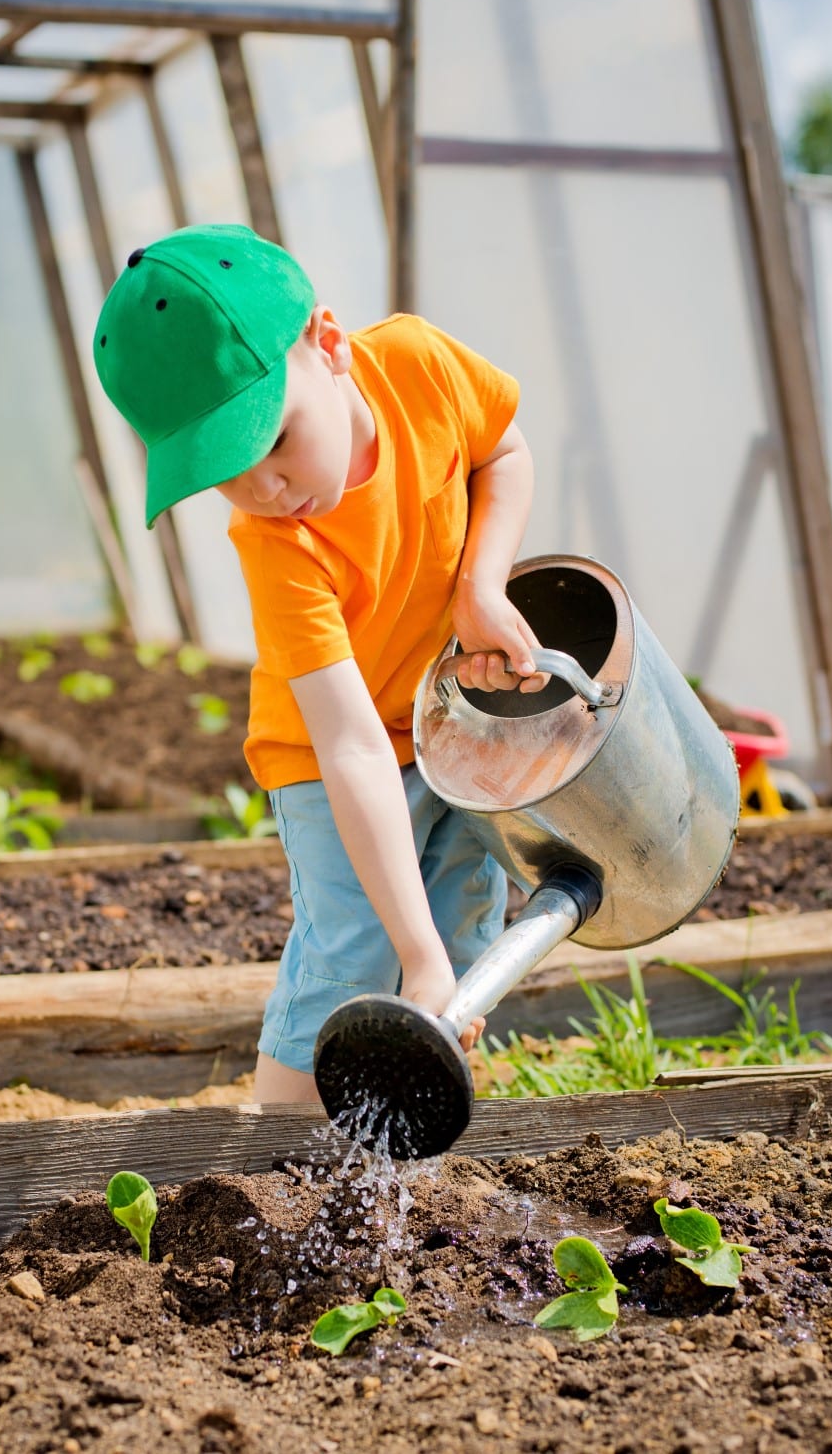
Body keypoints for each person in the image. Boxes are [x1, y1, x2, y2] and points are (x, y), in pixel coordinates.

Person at [93, 223, 546, 1103]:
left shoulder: (422, 365)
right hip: (332, 754)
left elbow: (507, 451)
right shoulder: (275, 539)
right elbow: (351, 749)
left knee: (459, 935)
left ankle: (407, 1156)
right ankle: (280, 1155)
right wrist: (408, 957)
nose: (262, 487)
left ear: (329, 345)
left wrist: (481, 585)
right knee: (356, 950)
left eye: (272, 440)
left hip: (450, 726)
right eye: (224, 469)